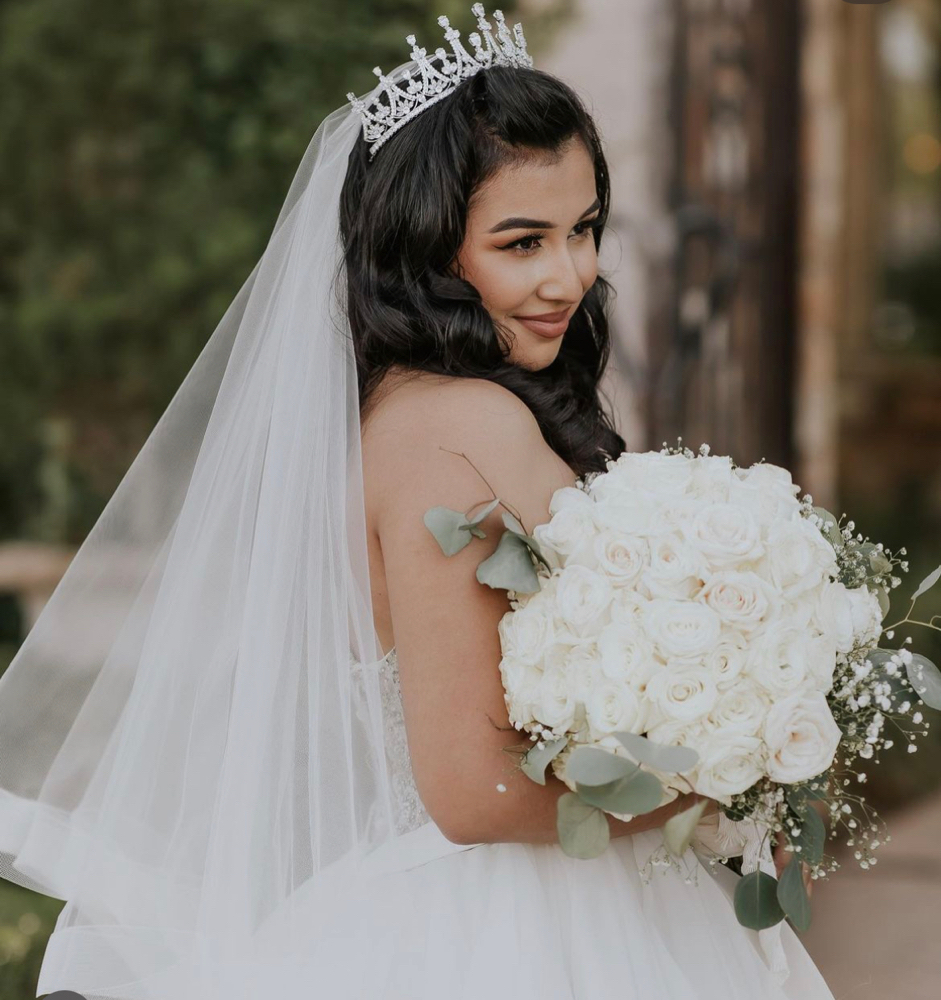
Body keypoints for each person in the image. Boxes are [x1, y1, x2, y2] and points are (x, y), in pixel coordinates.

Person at [0, 6, 835, 999]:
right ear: (428, 245)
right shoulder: (455, 430)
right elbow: (471, 790)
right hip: (505, 927)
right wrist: (711, 777)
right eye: (520, 242)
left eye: (583, 229)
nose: (567, 275)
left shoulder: (406, 407)